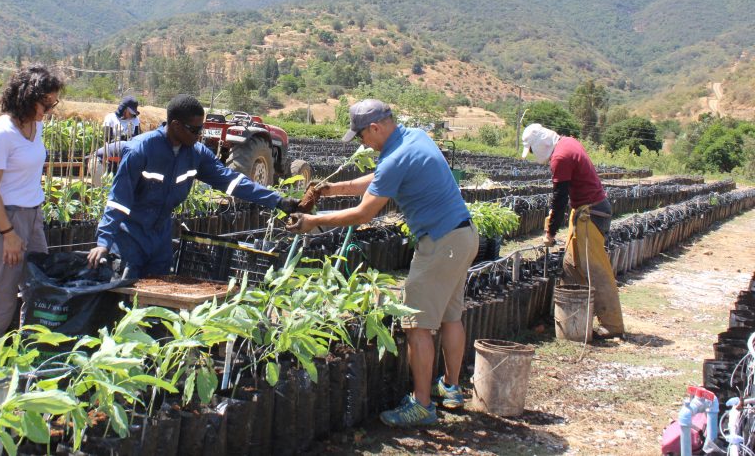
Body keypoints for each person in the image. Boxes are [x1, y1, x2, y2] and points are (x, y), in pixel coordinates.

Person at [285, 99, 477, 428]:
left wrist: (312, 221)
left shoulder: (396, 158)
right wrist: (331, 190)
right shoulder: (414, 137)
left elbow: (363, 213)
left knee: (416, 325)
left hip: (440, 243)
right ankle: (451, 388)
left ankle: (421, 405)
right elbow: (379, 178)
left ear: (375, 128)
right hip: (463, 236)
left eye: (360, 136)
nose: (361, 142)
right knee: (450, 316)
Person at [86, 94, 301, 277]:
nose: (200, 135)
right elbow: (118, 201)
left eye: (202, 129)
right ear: (176, 125)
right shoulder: (141, 151)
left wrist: (278, 201)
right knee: (124, 304)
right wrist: (104, 242)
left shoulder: (196, 154)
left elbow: (232, 181)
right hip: (129, 239)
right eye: (195, 129)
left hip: (160, 238)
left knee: (158, 303)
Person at [0, 65, 64, 344]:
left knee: (38, 290)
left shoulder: (35, 126)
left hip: (32, 217)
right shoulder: (2, 134)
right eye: (45, 103)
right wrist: (8, 234)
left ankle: (25, 359)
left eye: (53, 104)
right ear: (27, 97)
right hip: (6, 220)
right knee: (2, 298)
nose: (48, 111)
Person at [522, 123, 625, 339]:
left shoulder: (561, 157)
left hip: (592, 214)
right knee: (571, 264)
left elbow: (559, 198)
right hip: (585, 211)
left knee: (595, 270)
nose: (533, 154)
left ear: (540, 144)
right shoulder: (568, 142)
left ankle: (613, 324)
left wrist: (550, 233)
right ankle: (572, 317)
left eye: (532, 150)